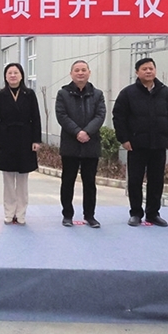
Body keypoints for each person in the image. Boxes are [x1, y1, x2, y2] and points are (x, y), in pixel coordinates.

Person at [112, 57, 168, 227]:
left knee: (156, 181)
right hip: (136, 145)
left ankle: (153, 213)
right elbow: (119, 117)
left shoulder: (166, 93)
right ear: (137, 72)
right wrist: (124, 139)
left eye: (151, 68)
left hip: (159, 144)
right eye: (144, 69)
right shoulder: (128, 93)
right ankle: (136, 213)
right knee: (135, 180)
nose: (148, 71)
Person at [0, 62, 41, 225]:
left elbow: (36, 118)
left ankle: (21, 213)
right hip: (6, 140)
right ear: (5, 76)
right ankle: (9, 213)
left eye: (16, 72)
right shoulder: (0, 95)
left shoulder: (29, 94)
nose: (13, 75)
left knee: (23, 181)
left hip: (25, 140)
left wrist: (36, 140)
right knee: (9, 181)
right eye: (9, 73)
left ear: (21, 75)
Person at [55, 60, 106, 228]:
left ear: (89, 73)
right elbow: (61, 116)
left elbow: (100, 115)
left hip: (91, 144)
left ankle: (90, 215)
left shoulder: (97, 94)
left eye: (83, 70)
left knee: (89, 182)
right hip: (70, 144)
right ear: (71, 74)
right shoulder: (63, 94)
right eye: (77, 70)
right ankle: (67, 215)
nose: (80, 73)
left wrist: (87, 132)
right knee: (68, 181)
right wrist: (77, 132)